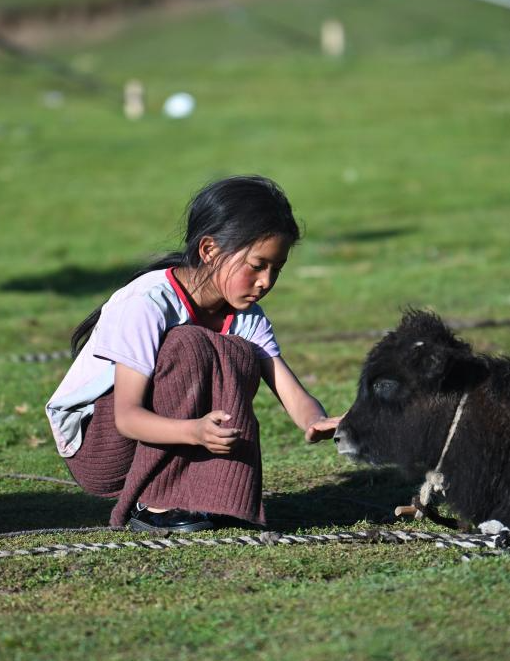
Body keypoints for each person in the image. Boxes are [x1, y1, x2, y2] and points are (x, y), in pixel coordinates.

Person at [45, 175, 341, 533]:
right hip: (102, 450)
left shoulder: (246, 316)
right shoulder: (147, 303)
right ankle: (155, 504)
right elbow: (126, 418)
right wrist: (194, 432)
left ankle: (215, 497)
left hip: (167, 435)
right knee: (188, 344)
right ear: (209, 250)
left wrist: (315, 421)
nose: (266, 281)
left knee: (239, 353)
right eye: (257, 265)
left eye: (276, 269)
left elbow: (288, 388)